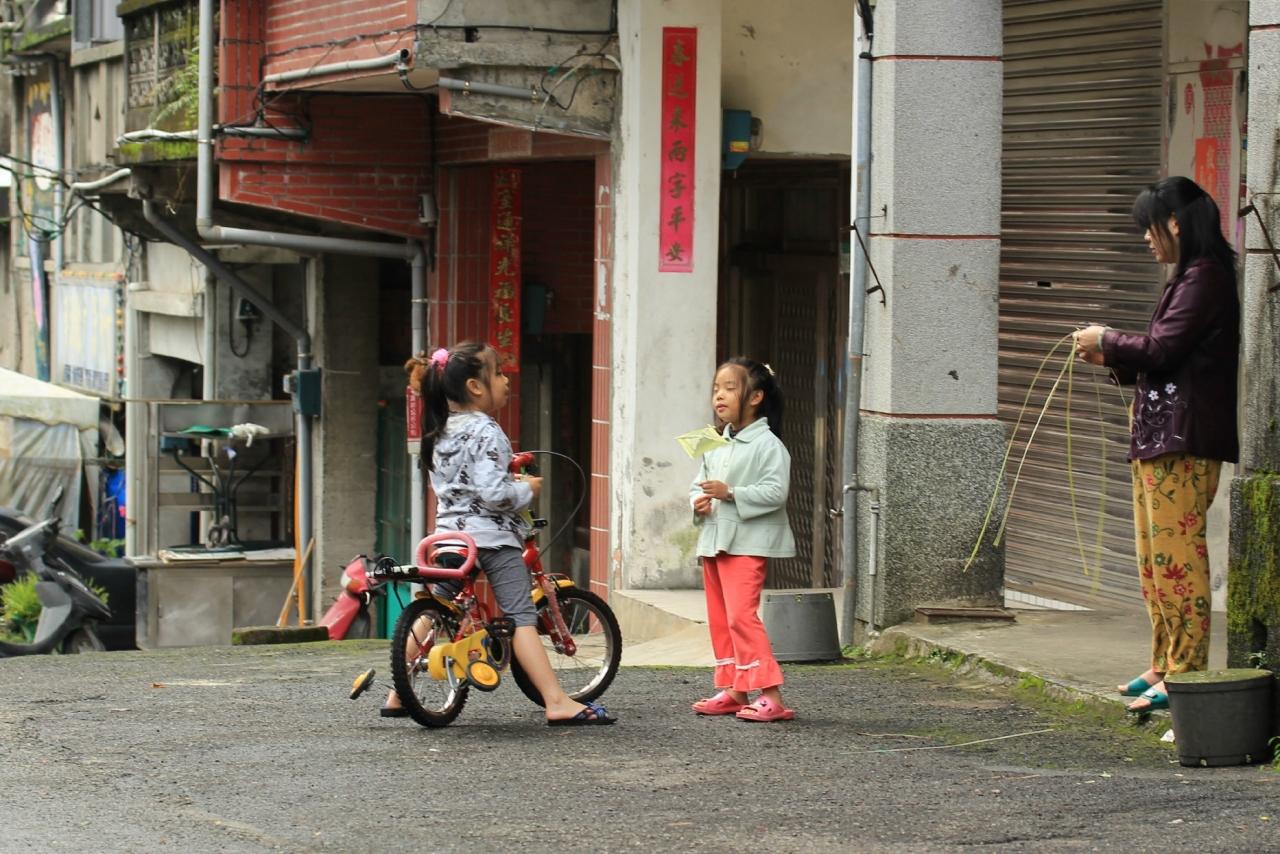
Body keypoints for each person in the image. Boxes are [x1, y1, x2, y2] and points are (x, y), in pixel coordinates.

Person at [382, 342, 616, 726]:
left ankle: (399, 692)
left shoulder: (438, 430)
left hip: (449, 539)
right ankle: (557, 701)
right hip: (491, 539)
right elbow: (494, 495)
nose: (506, 381)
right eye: (499, 373)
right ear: (476, 387)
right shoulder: (487, 430)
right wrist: (527, 489)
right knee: (522, 616)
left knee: (438, 607)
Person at [1073, 176, 1239, 714]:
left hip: (1183, 440)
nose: (1146, 238)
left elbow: (1163, 349)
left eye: (1149, 226)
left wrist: (1108, 338)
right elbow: (1169, 358)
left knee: (1176, 559)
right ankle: (1165, 662)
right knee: (1153, 559)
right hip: (1161, 435)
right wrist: (1112, 358)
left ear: (1173, 223)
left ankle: (1186, 672)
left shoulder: (1204, 278)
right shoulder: (1187, 277)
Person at [687, 357, 798, 722]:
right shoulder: (713, 440)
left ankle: (772, 695)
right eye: (716, 388)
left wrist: (730, 492)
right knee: (721, 617)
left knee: (741, 617)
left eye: (730, 388)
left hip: (747, 542)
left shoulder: (768, 444)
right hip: (715, 538)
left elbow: (776, 492)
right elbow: (697, 484)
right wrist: (698, 501)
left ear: (755, 397)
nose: (719, 395)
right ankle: (735, 689)